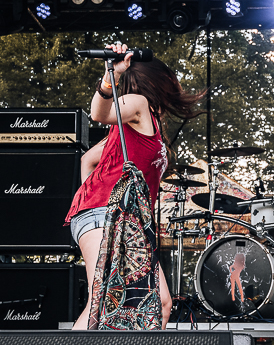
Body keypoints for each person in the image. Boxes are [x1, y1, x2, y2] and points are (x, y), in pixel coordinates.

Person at [67, 43, 204, 329]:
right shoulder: (138, 105)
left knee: (161, 303)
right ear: (159, 81)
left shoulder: (140, 123)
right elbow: (99, 114)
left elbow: (87, 159)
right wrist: (112, 76)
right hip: (104, 214)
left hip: (127, 222)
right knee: (101, 302)